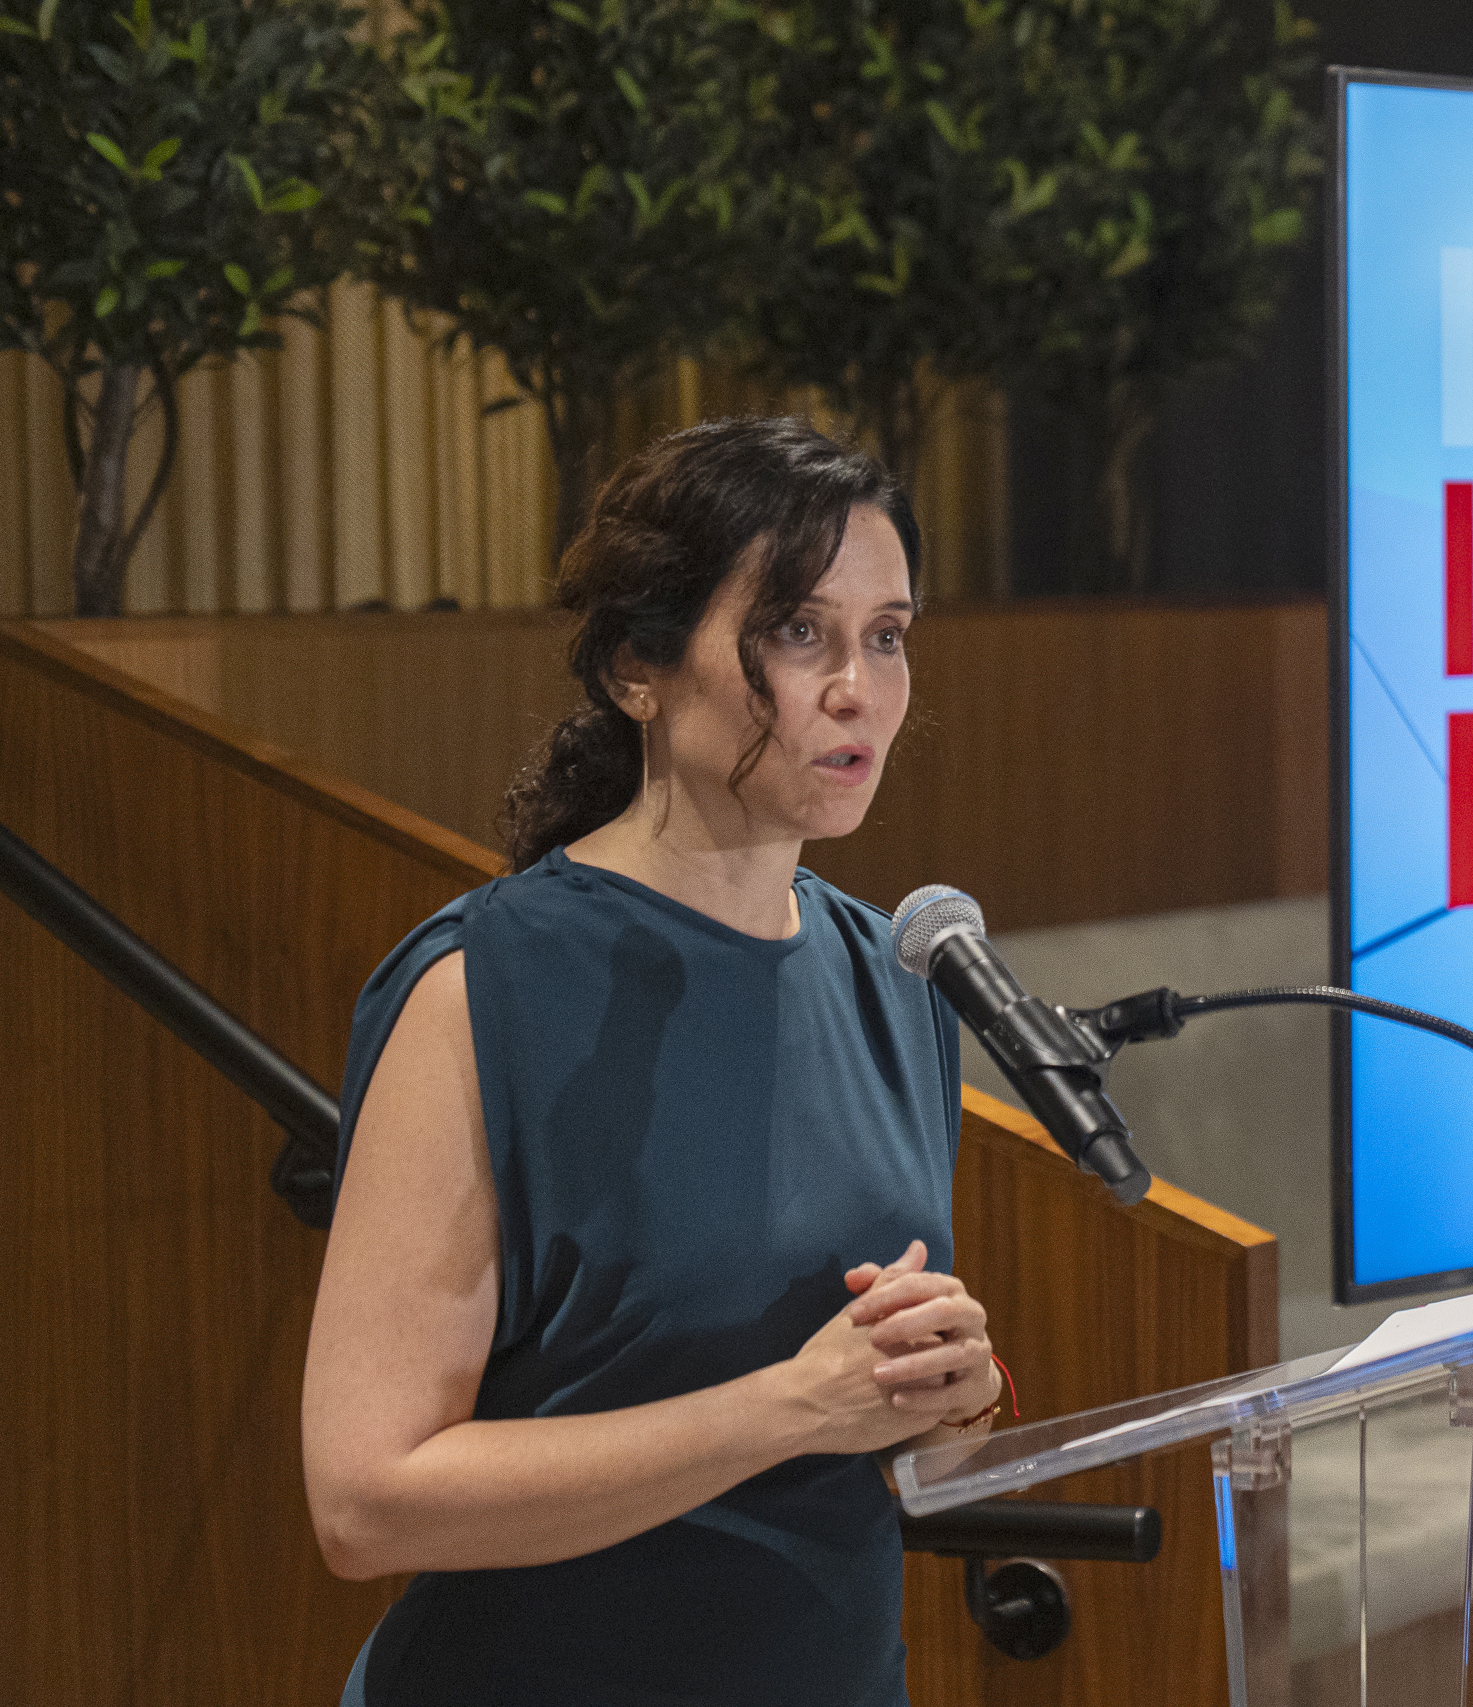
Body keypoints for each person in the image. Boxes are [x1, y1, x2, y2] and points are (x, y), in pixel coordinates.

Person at [302, 416, 1002, 1706]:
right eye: (798, 631)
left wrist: (950, 1396)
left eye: (888, 635)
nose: (859, 688)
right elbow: (365, 1501)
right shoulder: (483, 989)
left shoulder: (894, 974)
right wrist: (793, 1407)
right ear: (639, 665)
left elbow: (885, 1447)